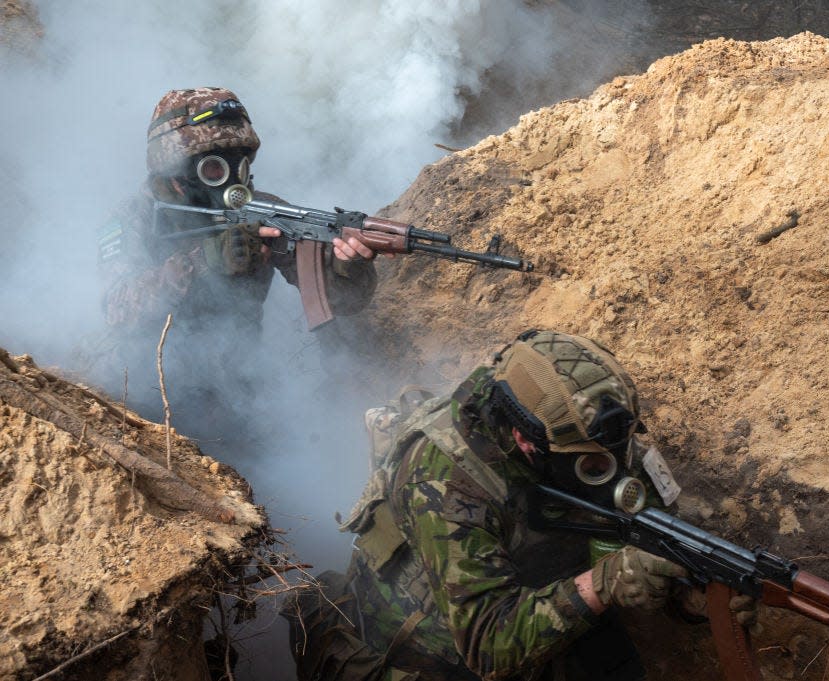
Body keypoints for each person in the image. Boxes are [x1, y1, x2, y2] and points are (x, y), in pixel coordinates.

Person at [287, 329, 757, 681]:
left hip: (537, 602)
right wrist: (607, 581)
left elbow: (650, 548)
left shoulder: (591, 434)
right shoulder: (446, 480)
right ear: (524, 440)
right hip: (434, 657)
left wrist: (693, 595)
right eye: (588, 464)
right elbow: (488, 647)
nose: (610, 470)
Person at [93, 87, 381, 429]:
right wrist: (200, 262)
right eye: (214, 168)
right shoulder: (132, 218)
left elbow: (341, 302)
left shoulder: (261, 211)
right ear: (175, 169)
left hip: (234, 388)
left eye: (239, 165)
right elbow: (117, 308)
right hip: (144, 389)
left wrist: (347, 266)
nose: (231, 179)